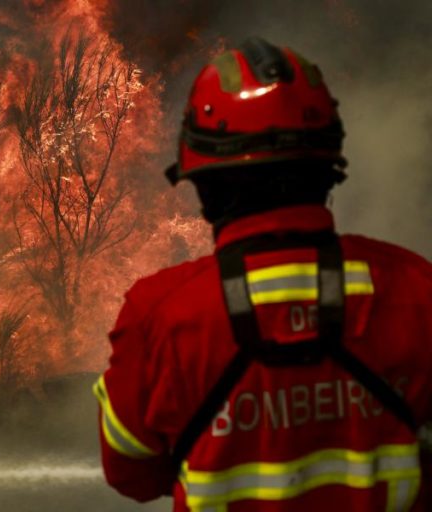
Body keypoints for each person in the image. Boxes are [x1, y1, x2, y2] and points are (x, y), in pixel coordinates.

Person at [93, 37, 432, 511]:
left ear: (204, 183)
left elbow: (131, 473)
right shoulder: (418, 290)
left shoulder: (159, 316)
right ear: (330, 167)